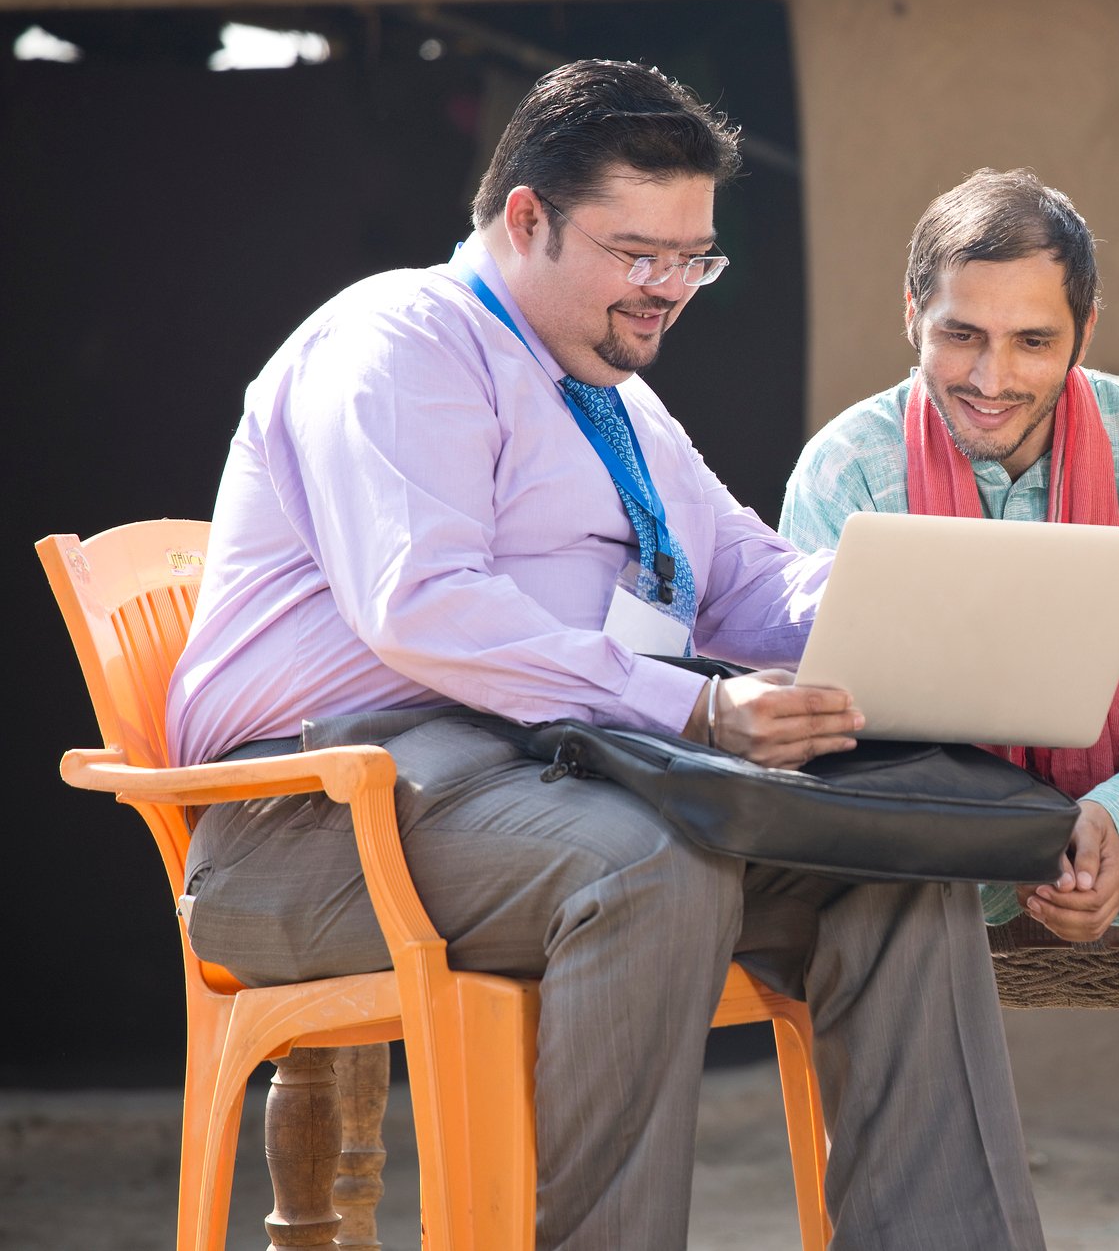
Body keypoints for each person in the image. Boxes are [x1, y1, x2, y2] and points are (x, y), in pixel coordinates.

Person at [165, 61, 1045, 1251]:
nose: (670, 290)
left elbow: (740, 575)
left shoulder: (609, 395)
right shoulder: (398, 341)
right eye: (640, 254)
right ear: (525, 217)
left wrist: (931, 608)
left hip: (543, 785)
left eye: (695, 259)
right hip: (308, 822)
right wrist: (690, 710)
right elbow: (422, 605)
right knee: (644, 869)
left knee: (889, 863)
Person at [779, 169, 1119, 1251]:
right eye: (961, 335)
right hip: (930, 837)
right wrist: (1010, 831)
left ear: (1086, 329)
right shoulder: (848, 471)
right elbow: (834, 734)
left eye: (1032, 342)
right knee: (847, 876)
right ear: (909, 314)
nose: (993, 377)